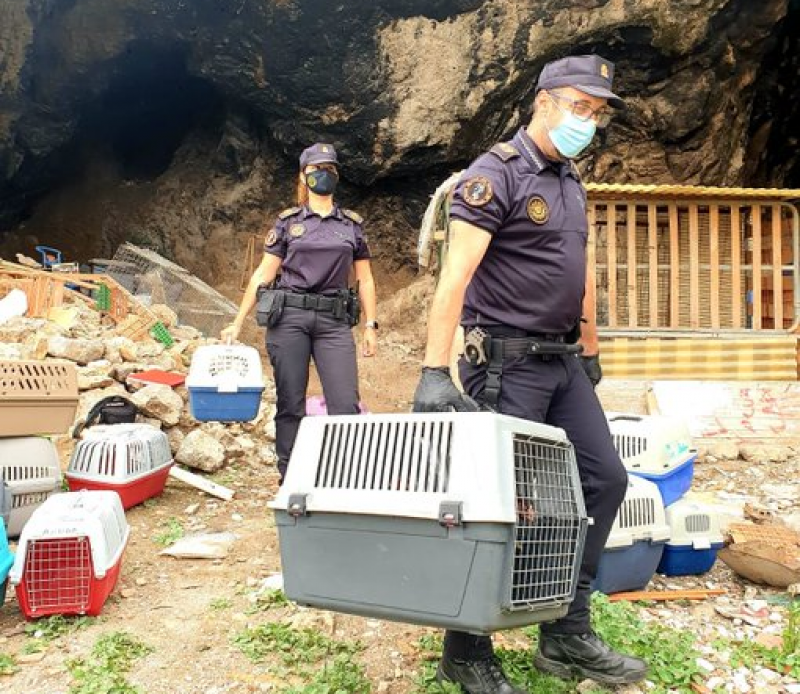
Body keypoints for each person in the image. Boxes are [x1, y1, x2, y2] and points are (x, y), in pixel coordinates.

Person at [412, 55, 647, 692]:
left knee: (603, 480)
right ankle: (465, 648)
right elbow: (453, 278)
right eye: (579, 106)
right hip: (506, 365)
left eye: (597, 112)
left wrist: (591, 348)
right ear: (543, 103)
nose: (588, 121)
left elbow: (582, 271)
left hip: (564, 361)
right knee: (497, 503)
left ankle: (566, 634)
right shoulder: (495, 176)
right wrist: (435, 371)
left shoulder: (570, 179)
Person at [222, 143, 377, 484]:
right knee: (291, 401)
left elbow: (364, 279)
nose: (325, 174)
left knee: (345, 403)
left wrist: (370, 325)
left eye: (331, 169)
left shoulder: (351, 226)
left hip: (334, 321)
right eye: (317, 169)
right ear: (304, 176)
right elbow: (263, 275)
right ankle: (289, 476)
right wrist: (237, 322)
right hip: (289, 318)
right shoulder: (288, 223)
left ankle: (346, 476)